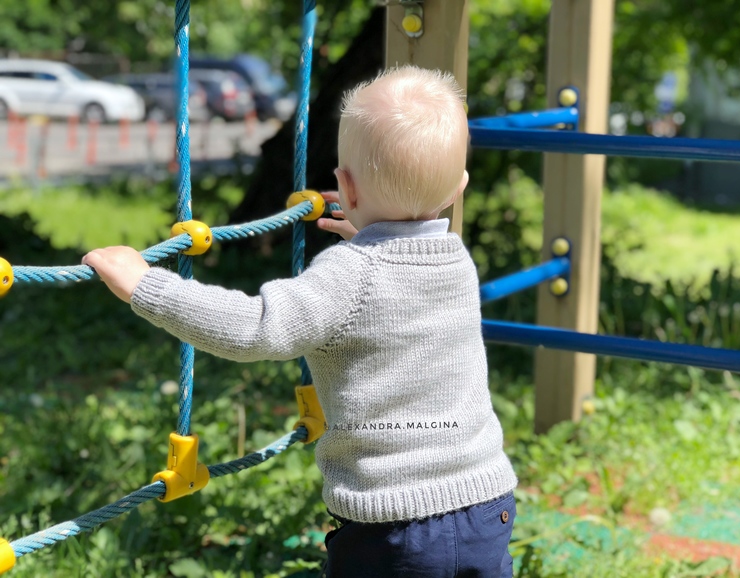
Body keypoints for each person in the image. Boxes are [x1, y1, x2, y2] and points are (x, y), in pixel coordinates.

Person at [83, 65, 518, 577]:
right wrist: (374, 231)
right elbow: (399, 284)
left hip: (394, 529)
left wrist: (146, 286)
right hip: (486, 504)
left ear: (345, 187)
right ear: (459, 187)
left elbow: (257, 327)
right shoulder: (456, 260)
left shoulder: (349, 274)